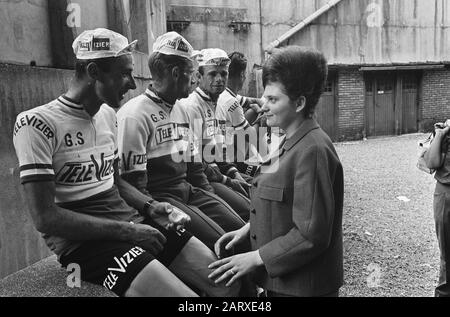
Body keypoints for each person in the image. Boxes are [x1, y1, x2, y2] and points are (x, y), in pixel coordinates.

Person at [12, 28, 240, 297]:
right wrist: (128, 232)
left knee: (228, 283)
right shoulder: (35, 124)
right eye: (125, 73)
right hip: (86, 245)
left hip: (130, 222)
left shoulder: (109, 115)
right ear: (94, 71)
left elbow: (114, 180)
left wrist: (151, 207)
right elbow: (45, 218)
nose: (133, 84)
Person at [209, 46, 344, 297]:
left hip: (303, 288)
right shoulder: (288, 139)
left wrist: (255, 258)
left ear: (299, 102)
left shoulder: (312, 150)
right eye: (265, 97)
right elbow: (281, 205)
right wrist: (247, 230)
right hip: (285, 284)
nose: (264, 105)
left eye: (273, 99)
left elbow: (311, 235)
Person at [117, 32, 246, 250]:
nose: (194, 80)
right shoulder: (134, 115)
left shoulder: (180, 108)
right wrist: (158, 213)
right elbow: (135, 185)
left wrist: (215, 200)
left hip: (189, 190)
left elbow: (195, 169)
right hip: (163, 198)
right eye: (191, 73)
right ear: (176, 73)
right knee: (225, 243)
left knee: (240, 227)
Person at [179, 48, 253, 222]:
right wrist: (227, 180)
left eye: (223, 74)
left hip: (219, 173)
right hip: (204, 180)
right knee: (249, 211)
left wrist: (234, 173)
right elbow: (195, 164)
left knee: (260, 190)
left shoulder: (218, 104)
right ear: (198, 76)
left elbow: (218, 153)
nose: (219, 79)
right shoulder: (192, 107)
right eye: (213, 74)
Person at [425, 120, 450, 297]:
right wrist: (440, 135)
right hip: (446, 193)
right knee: (447, 253)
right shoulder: (446, 131)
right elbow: (432, 163)